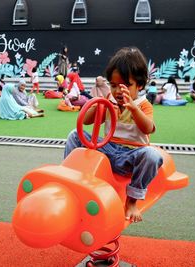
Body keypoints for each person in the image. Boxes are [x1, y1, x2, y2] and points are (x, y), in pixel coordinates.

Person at [64, 47, 163, 223]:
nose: (118, 91)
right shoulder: (110, 99)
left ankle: (131, 201)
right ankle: (69, 180)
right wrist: (97, 105)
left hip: (131, 155)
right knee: (74, 135)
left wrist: (133, 109)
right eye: (114, 85)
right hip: (107, 150)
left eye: (126, 85)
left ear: (139, 84)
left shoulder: (143, 105)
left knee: (152, 155)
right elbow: (86, 122)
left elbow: (148, 128)